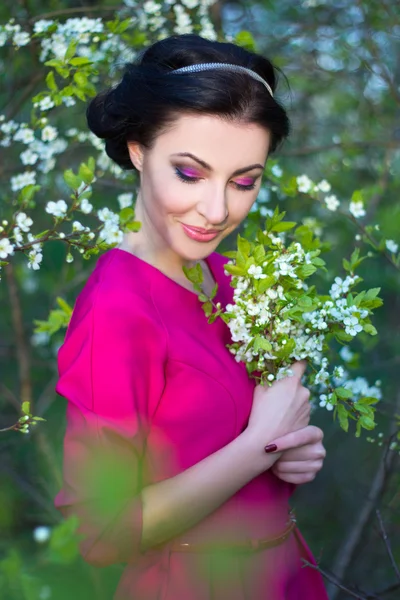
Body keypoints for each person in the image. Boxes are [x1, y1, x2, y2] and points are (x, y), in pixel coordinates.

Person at [54, 33, 328, 599]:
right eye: (190, 172)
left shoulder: (232, 276)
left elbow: (240, 434)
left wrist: (291, 456)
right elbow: (103, 533)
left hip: (286, 575)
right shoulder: (118, 306)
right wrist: (262, 446)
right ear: (137, 149)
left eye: (244, 180)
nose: (217, 209)